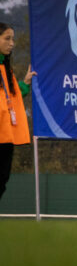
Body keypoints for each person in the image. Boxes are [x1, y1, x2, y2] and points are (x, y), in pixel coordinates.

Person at [0, 23, 33, 203]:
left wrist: (25, 83)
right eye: (7, 38)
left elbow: (11, 97)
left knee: (3, 179)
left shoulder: (5, 69)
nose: (11, 43)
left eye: (12, 38)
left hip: (6, 136)